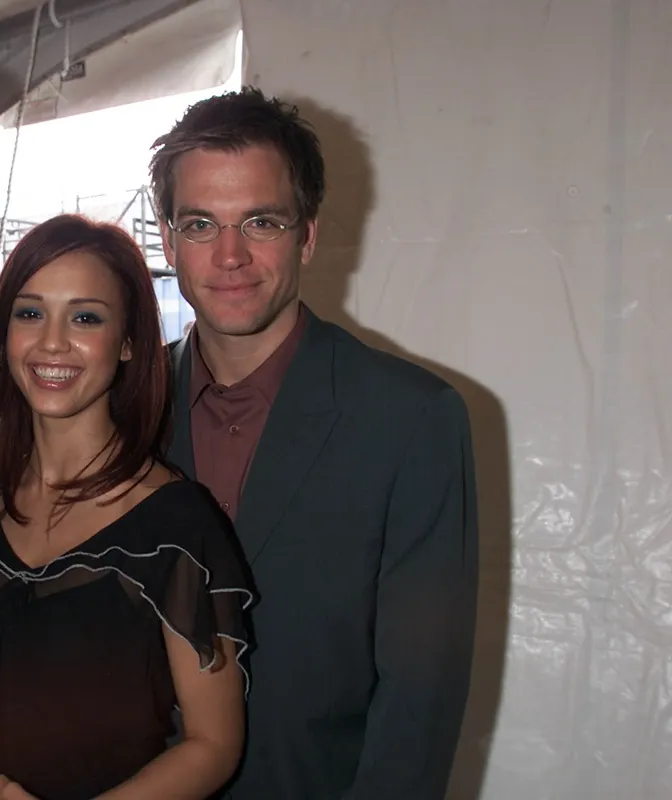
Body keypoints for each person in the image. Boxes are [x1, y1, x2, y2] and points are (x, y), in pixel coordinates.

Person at [151, 87, 478, 798]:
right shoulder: (125, 408)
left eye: (260, 221)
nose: (230, 255)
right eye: (201, 224)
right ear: (169, 239)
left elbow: (418, 709)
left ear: (308, 234)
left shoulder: (412, 420)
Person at [0, 215, 252, 800]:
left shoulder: (175, 525)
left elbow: (214, 745)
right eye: (30, 312)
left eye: (86, 317)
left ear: (130, 341)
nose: (52, 342)